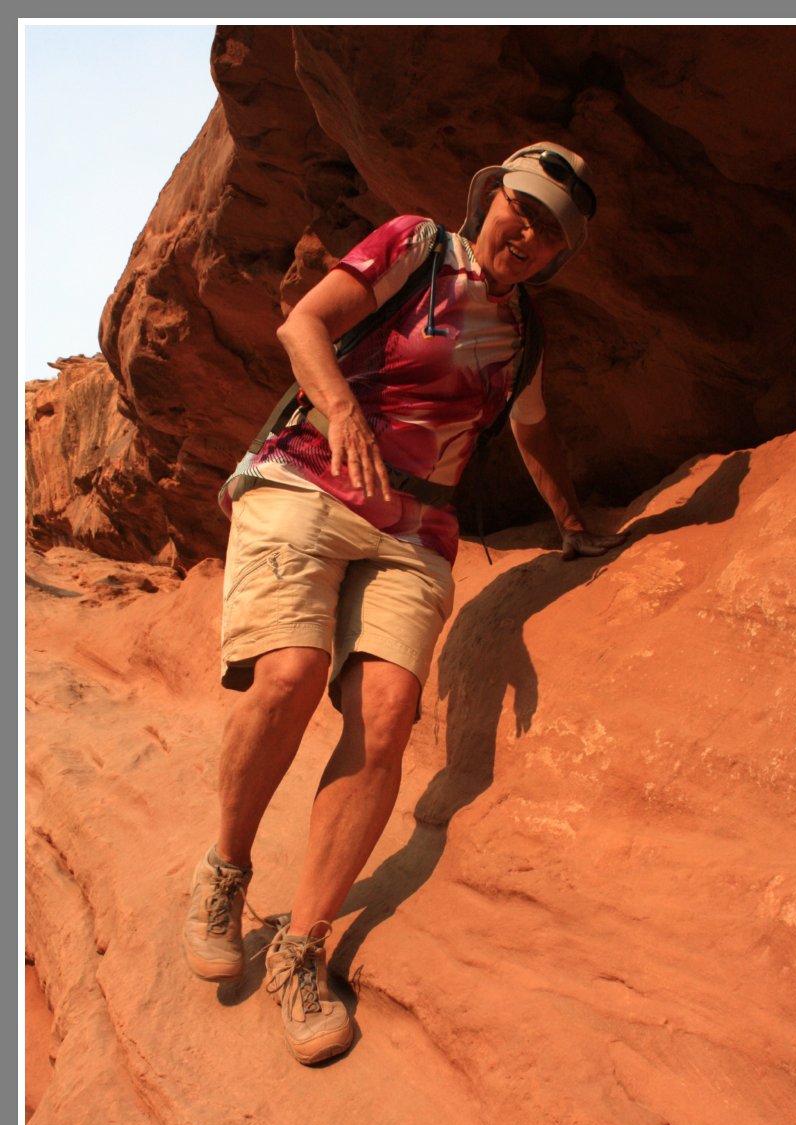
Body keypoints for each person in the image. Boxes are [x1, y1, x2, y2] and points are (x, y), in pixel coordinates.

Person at [182, 142, 626, 1065]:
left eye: (550, 231)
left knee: (384, 719)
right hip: (309, 479)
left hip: (417, 529)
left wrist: (575, 525)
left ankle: (301, 950)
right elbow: (303, 325)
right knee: (291, 673)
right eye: (522, 208)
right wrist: (344, 409)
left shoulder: (524, 335)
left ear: (558, 254)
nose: (528, 233)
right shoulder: (417, 246)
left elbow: (535, 434)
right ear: (490, 197)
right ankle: (225, 869)